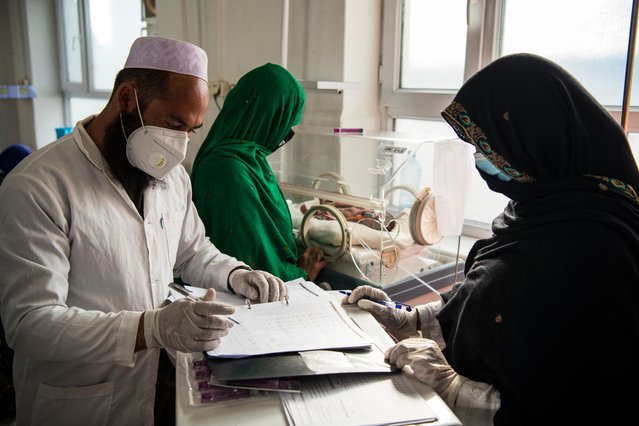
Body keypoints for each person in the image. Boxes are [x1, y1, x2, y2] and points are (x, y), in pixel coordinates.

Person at [0, 36, 288, 425]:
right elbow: (30, 323)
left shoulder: (170, 178)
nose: (180, 145)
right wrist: (150, 328)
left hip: (155, 386)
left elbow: (193, 251)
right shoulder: (39, 185)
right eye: (172, 124)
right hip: (78, 399)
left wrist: (236, 274)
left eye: (191, 130)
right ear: (126, 99)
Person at [343, 53, 639, 426]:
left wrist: (454, 388)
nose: (480, 157)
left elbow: (576, 396)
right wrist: (413, 320)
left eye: (487, 145)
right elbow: (489, 300)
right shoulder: (534, 207)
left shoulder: (598, 246)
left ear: (535, 139)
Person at [191, 63, 327, 282]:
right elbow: (250, 266)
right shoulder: (229, 171)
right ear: (269, 118)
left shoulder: (247, 160)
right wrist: (302, 274)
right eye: (285, 123)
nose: (286, 134)